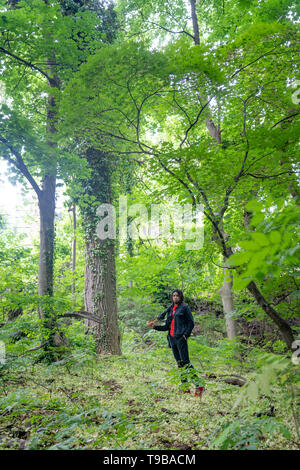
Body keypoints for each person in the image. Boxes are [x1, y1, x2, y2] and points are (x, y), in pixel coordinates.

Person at [146, 289, 205, 397]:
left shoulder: (185, 308)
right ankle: (185, 388)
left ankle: (199, 385)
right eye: (173, 296)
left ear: (181, 297)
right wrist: (154, 327)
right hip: (172, 339)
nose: (175, 297)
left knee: (186, 363)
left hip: (180, 338)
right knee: (179, 364)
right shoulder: (170, 310)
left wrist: (185, 335)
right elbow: (166, 327)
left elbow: (191, 323)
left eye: (177, 296)